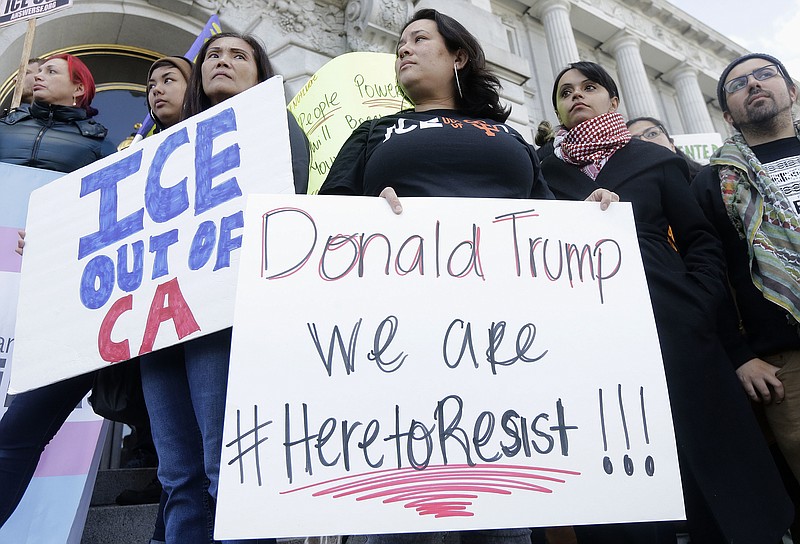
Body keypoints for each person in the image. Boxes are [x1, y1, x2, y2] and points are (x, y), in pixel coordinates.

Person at [321, 10, 613, 544]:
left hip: (504, 338)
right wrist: (366, 210)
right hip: (401, 334)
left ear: (458, 55)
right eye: (400, 44)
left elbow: (545, 216)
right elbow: (327, 218)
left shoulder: (509, 135)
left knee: (501, 508)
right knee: (409, 511)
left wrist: (592, 218)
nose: (402, 49)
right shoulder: (374, 132)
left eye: (418, 39)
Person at [541, 60, 792, 543]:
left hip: (676, 325)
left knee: (710, 464)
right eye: (565, 91)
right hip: (591, 338)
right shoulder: (542, 173)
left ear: (613, 101)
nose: (576, 96)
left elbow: (701, 239)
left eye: (589, 87)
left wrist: (696, 301)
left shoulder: (653, 160)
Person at [139, 33, 309, 544]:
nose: (223, 61)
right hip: (160, 323)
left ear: (260, 74)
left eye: (240, 55)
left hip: (228, 316)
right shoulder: (157, 147)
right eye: (213, 54)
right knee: (178, 478)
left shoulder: (277, 125)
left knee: (226, 470)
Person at [0, 53, 115, 526]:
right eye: (36, 69)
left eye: (51, 71)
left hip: (52, 297)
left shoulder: (99, 147)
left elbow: (106, 212)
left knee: (17, 435)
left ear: (80, 89)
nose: (36, 75)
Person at [691, 52, 800, 527]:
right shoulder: (711, 182)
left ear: (791, 92)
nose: (753, 84)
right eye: (738, 84)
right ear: (727, 114)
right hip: (786, 362)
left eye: (765, 75)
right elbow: (706, 273)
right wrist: (738, 354)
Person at [626, 116, 703, 178]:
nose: (645, 141)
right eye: (635, 141)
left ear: (672, 145)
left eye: (652, 134)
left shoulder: (708, 180)